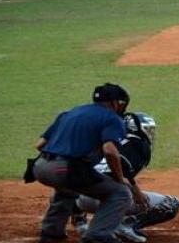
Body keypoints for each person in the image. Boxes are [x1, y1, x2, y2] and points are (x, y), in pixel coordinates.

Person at [31, 83, 147, 243]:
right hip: (64, 169)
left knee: (68, 187)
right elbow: (109, 150)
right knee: (120, 193)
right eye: (121, 103)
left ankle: (51, 232)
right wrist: (120, 179)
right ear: (114, 103)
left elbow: (40, 144)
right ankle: (98, 235)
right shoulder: (112, 118)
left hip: (39, 167)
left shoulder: (70, 113)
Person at [72, 112, 179, 243]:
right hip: (108, 201)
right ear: (136, 128)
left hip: (81, 199)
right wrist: (135, 189)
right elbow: (121, 166)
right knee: (172, 204)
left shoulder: (106, 140)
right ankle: (126, 225)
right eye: (147, 129)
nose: (150, 133)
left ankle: (79, 221)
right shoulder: (138, 144)